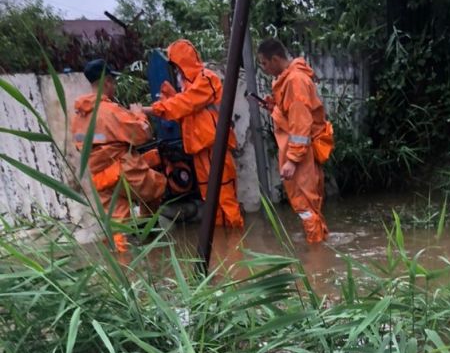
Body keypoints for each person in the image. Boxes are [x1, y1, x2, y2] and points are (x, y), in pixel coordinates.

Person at [143, 39, 244, 229]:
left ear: (183, 62)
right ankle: (224, 249)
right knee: (211, 202)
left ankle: (237, 245)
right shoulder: (187, 88)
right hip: (200, 151)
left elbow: (185, 104)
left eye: (176, 66)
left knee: (225, 198)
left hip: (215, 149)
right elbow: (184, 112)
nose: (176, 71)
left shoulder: (207, 79)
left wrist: (151, 109)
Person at [72, 58, 166, 252]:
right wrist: (139, 113)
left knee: (117, 224)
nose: (113, 86)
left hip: (99, 177)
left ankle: (122, 266)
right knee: (157, 186)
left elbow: (82, 144)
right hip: (123, 172)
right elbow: (143, 134)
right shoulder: (110, 110)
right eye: (112, 82)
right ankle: (149, 231)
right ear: (107, 82)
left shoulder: (79, 116)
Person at [257, 38, 334, 244]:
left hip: (300, 153)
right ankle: (319, 246)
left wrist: (292, 159)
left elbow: (300, 124)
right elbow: (293, 115)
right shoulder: (290, 79)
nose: (263, 69)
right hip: (301, 150)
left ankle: (317, 258)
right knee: (309, 204)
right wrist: (274, 107)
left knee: (305, 203)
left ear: (274, 59)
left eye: (264, 63)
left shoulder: (294, 81)